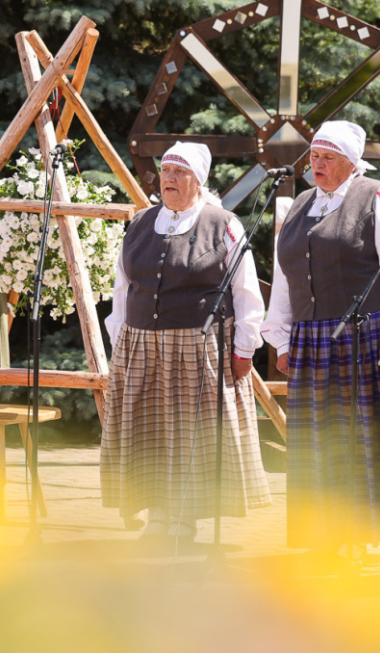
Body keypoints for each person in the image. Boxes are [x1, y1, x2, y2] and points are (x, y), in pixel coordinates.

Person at [262, 121, 380, 552]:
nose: (316, 164)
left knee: (357, 440)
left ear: (352, 163)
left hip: (366, 337)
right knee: (316, 443)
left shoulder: (376, 197)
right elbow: (286, 278)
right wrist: (281, 339)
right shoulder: (300, 204)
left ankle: (355, 539)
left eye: (328, 158)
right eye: (314, 156)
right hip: (310, 339)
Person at [102, 142, 270, 541]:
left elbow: (247, 292)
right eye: (166, 171)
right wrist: (119, 344)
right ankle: (158, 512)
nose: (170, 179)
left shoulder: (223, 223)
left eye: (181, 172)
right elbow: (122, 289)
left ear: (200, 180)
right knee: (150, 435)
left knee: (190, 435)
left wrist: (244, 349)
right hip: (141, 345)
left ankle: (185, 517)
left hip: (197, 347)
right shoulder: (141, 222)